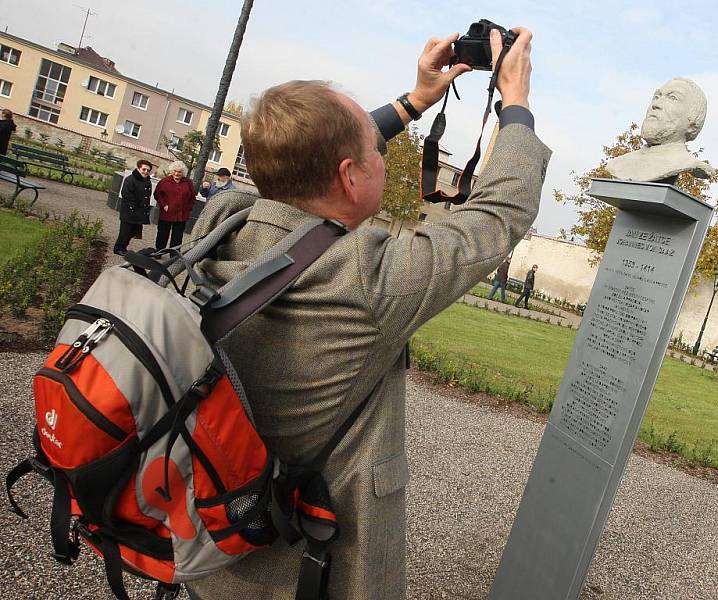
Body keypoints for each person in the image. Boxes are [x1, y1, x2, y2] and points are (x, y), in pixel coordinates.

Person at [187, 27, 550, 600]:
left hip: (210, 538)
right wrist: (517, 104)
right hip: (304, 564)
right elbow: (498, 214)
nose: (384, 156)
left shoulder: (220, 221)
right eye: (377, 152)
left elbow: (296, 159)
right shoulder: (365, 276)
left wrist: (416, 101)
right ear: (350, 175)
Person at [606, 77, 715, 182]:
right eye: (657, 97)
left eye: (673, 98)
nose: (656, 104)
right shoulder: (618, 165)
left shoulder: (688, 164)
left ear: (693, 122)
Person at [113, 159, 153, 255]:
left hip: (139, 212)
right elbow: (126, 195)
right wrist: (133, 208)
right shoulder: (130, 180)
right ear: (138, 169)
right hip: (129, 211)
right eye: (144, 169)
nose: (146, 172)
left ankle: (123, 247)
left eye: (148, 170)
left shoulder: (147, 181)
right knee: (125, 231)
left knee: (133, 231)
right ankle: (118, 248)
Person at [153, 160, 196, 250]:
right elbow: (157, 194)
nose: (176, 173)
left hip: (181, 214)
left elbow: (192, 196)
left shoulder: (188, 183)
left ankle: (174, 254)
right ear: (171, 171)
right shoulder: (164, 181)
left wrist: (188, 208)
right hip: (167, 212)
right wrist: (164, 205)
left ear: (183, 172)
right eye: (174, 171)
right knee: (162, 233)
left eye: (179, 172)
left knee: (177, 236)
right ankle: (159, 251)